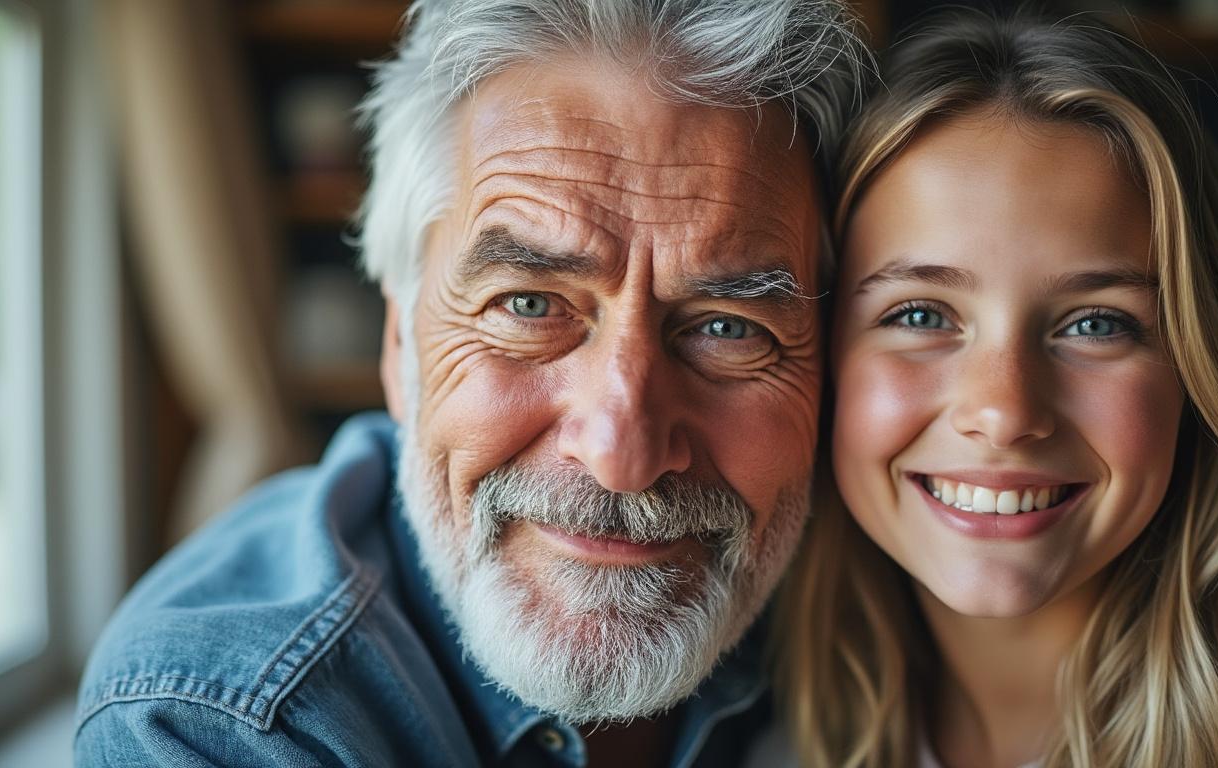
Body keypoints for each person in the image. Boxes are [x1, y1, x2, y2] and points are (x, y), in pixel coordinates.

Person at [74, 1, 870, 766]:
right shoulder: (217, 724)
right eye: (527, 306)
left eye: (728, 327)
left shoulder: (884, 617)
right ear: (399, 345)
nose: (620, 455)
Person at [774, 9, 1218, 768]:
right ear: (818, 353)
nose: (1004, 412)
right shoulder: (734, 701)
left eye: (1096, 324)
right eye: (921, 314)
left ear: (1200, 368)